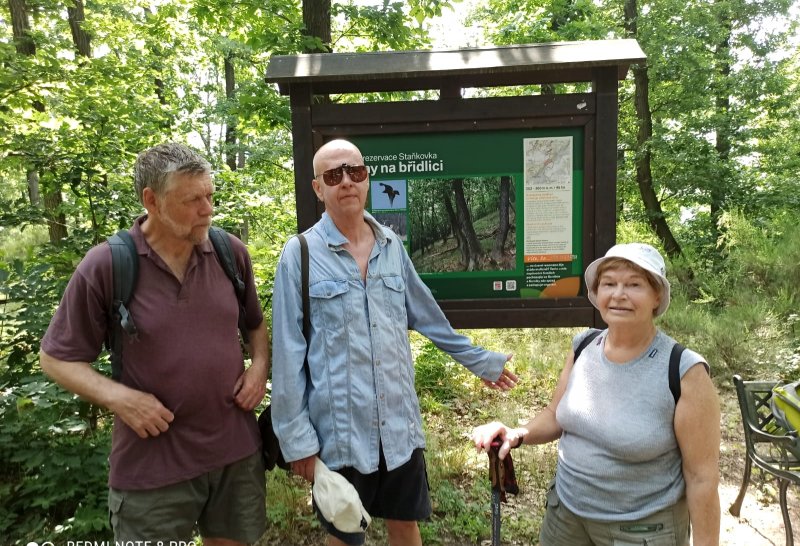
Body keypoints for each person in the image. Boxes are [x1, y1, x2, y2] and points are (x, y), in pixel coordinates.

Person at [271, 139, 518, 546]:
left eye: (355, 171)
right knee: (346, 531)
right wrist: (296, 440)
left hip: (398, 426)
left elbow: (426, 315)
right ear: (318, 188)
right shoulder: (299, 255)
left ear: (367, 179)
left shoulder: (391, 246)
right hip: (341, 431)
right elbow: (288, 354)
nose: (346, 181)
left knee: (405, 524)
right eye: (333, 175)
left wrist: (480, 361)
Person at [39, 143, 269, 545]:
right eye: (192, 199)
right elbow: (56, 358)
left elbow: (254, 325)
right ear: (152, 201)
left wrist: (259, 367)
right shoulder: (108, 265)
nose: (207, 209)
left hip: (234, 455)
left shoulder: (229, 253)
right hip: (152, 470)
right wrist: (122, 400)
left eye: (210, 196)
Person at [472, 243, 720, 546]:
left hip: (640, 531)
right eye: (609, 283)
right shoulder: (584, 345)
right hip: (565, 516)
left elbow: (702, 478)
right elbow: (555, 415)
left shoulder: (683, 370)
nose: (618, 294)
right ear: (597, 292)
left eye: (634, 284)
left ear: (657, 297)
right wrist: (517, 434)